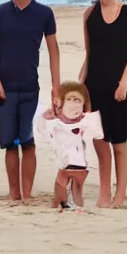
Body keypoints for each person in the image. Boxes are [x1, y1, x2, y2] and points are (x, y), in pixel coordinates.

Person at [0, 0, 60, 202]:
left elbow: (53, 51)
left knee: (27, 141)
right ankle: (14, 193)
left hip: (30, 88)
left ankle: (27, 194)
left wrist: (56, 87)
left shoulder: (44, 13)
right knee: (10, 143)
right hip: (5, 90)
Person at [80, 0, 127, 208]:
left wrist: (124, 80)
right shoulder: (88, 15)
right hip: (95, 85)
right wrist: (79, 86)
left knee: (119, 143)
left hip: (121, 87)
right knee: (100, 143)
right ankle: (103, 193)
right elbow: (89, 54)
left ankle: (119, 195)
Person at [34, 82, 97, 212]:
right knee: (75, 192)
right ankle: (75, 206)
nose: (73, 103)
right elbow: (42, 128)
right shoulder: (60, 122)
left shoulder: (79, 122)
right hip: (76, 165)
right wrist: (48, 116)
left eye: (77, 100)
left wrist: (47, 117)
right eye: (69, 99)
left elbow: (42, 130)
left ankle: (67, 205)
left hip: (71, 165)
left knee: (63, 194)